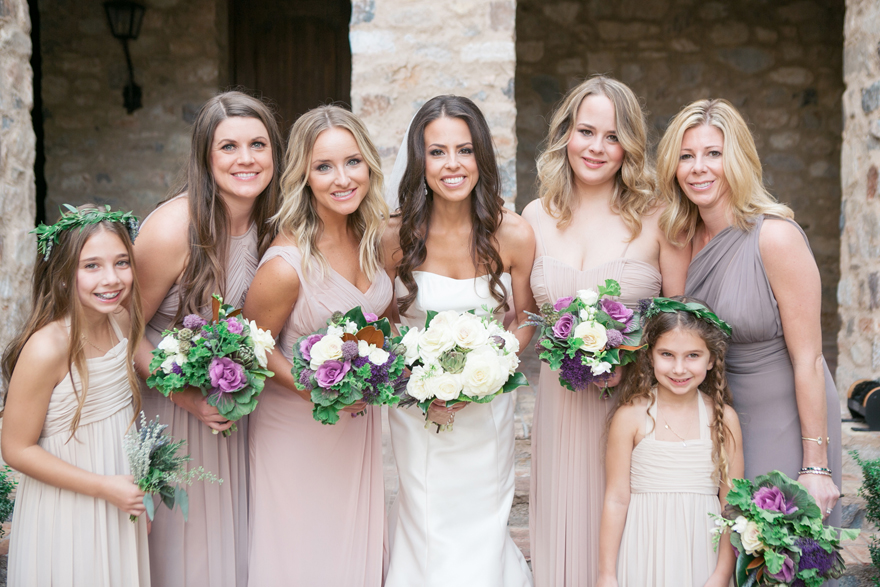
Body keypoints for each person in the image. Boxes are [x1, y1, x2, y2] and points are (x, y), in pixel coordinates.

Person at [522, 75, 690, 586]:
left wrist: (630, 363)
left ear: (629, 147)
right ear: (565, 135)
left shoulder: (659, 218)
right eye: (585, 131)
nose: (596, 147)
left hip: (631, 412)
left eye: (612, 136)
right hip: (558, 407)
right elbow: (522, 318)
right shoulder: (533, 216)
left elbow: (682, 325)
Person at [657, 98, 842, 532]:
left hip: (785, 417)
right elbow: (679, 341)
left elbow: (810, 360)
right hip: (719, 420)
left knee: (776, 558)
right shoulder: (678, 240)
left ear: (737, 159)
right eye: (686, 156)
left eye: (713, 154)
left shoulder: (775, 238)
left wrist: (815, 466)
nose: (698, 167)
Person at [382, 95, 534, 587]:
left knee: (483, 521)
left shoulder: (512, 234)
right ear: (419, 160)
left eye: (464, 151)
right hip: (418, 411)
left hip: (486, 408)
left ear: (481, 157)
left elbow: (527, 316)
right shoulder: (394, 236)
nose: (452, 165)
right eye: (437, 151)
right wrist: (418, 381)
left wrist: (494, 366)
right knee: (426, 520)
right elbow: (384, 328)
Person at [132, 91, 282, 587]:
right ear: (205, 157)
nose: (246, 159)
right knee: (187, 550)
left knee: (235, 546)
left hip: (236, 413)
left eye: (258, 144)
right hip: (171, 408)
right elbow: (121, 333)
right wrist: (190, 399)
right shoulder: (174, 229)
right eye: (229, 147)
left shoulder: (275, 226)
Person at [242, 105, 389, 586]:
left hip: (356, 426)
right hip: (296, 425)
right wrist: (312, 388)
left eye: (352, 162)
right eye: (324, 167)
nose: (342, 178)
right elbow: (255, 344)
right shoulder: (286, 265)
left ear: (369, 164)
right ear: (303, 176)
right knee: (302, 553)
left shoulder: (373, 239)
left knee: (348, 550)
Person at [2, 205, 150, 586]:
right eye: (92, 266)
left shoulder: (121, 320)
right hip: (67, 506)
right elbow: (16, 449)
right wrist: (105, 488)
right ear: (65, 275)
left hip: (120, 501)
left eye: (121, 262)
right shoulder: (47, 348)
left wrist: (139, 493)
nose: (112, 279)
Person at [597, 296, 743, 587]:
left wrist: (722, 574)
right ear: (650, 355)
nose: (679, 369)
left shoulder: (723, 418)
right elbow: (616, 498)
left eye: (693, 356)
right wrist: (607, 575)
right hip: (643, 547)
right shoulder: (631, 416)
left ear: (711, 359)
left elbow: (732, 504)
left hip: (703, 548)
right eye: (667, 354)